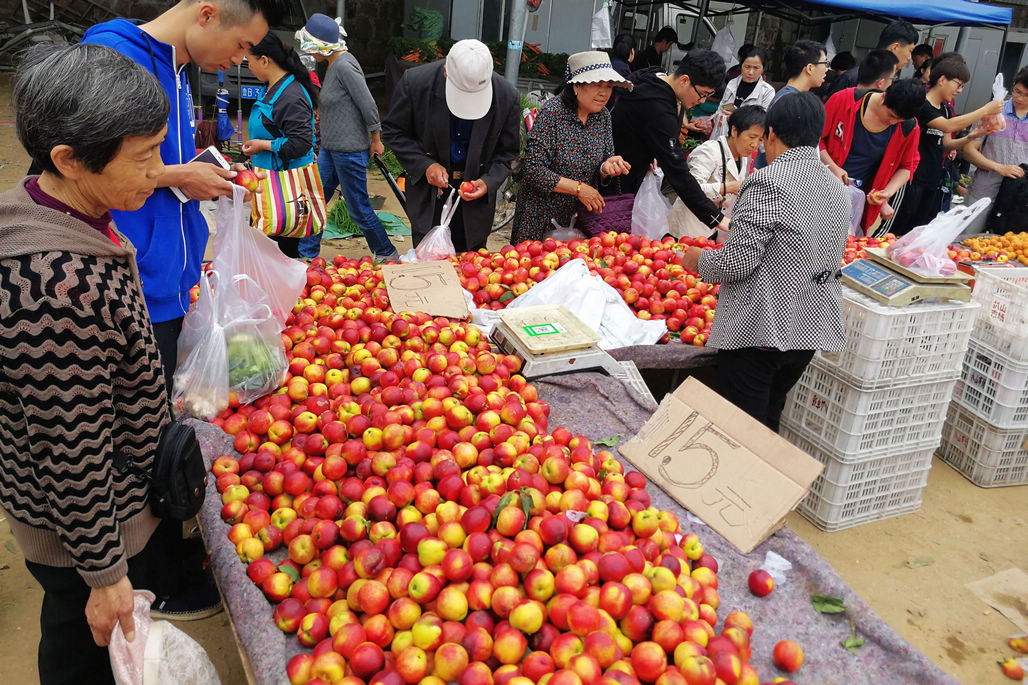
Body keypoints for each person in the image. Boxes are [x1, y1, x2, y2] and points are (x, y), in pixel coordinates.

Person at [82, 0, 281, 621]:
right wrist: (179, 178)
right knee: (135, 437)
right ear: (207, 12)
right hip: (133, 283)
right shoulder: (113, 56)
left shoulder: (172, 65)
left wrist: (195, 176)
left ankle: (165, 555)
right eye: (243, 44)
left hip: (167, 282)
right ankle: (152, 579)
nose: (243, 60)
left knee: (156, 426)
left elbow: (155, 166)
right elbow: (94, 164)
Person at [2, 43, 171, 684]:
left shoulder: (64, 208)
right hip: (88, 535)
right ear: (69, 160)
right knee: (85, 650)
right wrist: (105, 575)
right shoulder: (54, 289)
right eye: (144, 156)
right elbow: (70, 447)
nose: (157, 171)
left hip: (102, 511)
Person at [680, 92, 849, 431]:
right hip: (809, 329)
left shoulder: (767, 181)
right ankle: (765, 482)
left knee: (741, 430)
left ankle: (741, 484)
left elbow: (736, 263)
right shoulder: (836, 186)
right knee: (769, 418)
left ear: (771, 134)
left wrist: (698, 261)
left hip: (762, 329)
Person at [382, 39, 520, 252]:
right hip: (430, 195)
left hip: (475, 197)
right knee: (429, 265)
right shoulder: (416, 84)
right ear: (446, 72)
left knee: (471, 267)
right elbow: (394, 131)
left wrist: (488, 181)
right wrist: (425, 165)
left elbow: (507, 151)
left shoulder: (506, 95)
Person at [296, 14, 398, 264]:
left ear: (321, 45)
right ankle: (306, 255)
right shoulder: (331, 64)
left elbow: (368, 104)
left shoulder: (344, 65)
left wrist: (376, 138)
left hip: (350, 151)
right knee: (316, 199)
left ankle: (386, 252)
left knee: (358, 208)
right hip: (331, 150)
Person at [511, 52, 632, 244]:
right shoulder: (552, 114)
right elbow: (534, 170)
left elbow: (605, 158)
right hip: (541, 217)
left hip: (579, 217)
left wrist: (607, 167)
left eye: (608, 86)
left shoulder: (603, 117)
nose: (604, 93)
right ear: (576, 86)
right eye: (597, 85)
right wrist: (578, 188)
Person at [611, 49, 731, 235]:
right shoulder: (657, 106)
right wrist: (716, 218)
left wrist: (651, 149)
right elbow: (677, 171)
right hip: (615, 180)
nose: (702, 101)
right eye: (702, 94)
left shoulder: (654, 75)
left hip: (624, 166)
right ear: (684, 80)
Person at [890, 57, 1003, 235]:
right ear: (942, 80)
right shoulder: (922, 104)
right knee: (897, 231)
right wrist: (986, 110)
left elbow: (946, 144)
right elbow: (947, 126)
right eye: (958, 84)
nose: (959, 90)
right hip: (911, 179)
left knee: (920, 234)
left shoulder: (945, 109)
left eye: (963, 86)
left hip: (933, 179)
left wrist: (972, 136)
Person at [243, 31, 319, 257]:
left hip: (285, 192)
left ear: (264, 60)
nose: (249, 68)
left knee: (278, 256)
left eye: (250, 62)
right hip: (269, 185)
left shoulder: (290, 95)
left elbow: (301, 143)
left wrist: (262, 145)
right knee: (264, 254)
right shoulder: (274, 88)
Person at [820, 78, 925, 236]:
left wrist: (886, 194)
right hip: (821, 188)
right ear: (884, 96)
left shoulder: (909, 127)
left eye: (899, 120)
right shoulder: (844, 100)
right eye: (891, 115)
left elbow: (908, 166)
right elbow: (815, 139)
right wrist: (832, 167)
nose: (892, 122)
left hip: (858, 201)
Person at [668, 105, 766, 239]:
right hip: (688, 226)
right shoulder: (709, 151)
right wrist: (729, 187)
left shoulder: (743, 158)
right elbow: (689, 190)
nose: (754, 145)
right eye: (751, 137)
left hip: (714, 227)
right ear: (734, 130)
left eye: (760, 140)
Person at [964, 66, 1028, 234]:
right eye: (1017, 91)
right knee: (966, 238)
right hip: (984, 189)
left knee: (1008, 247)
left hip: (1018, 196)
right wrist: (999, 167)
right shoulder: (993, 113)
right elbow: (969, 150)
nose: (1019, 98)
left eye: (1026, 95)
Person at [752, 40, 826, 169]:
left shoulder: (790, 98)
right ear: (809, 68)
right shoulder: (789, 102)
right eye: (825, 63)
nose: (826, 69)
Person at [827, 20, 919, 98]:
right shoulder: (852, 78)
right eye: (910, 51)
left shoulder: (896, 83)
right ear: (895, 47)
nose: (909, 58)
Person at [719, 46, 774, 111]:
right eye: (747, 67)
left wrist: (736, 115)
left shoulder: (767, 92)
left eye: (756, 68)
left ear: (763, 69)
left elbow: (763, 119)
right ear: (741, 66)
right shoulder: (732, 83)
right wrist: (720, 118)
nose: (750, 72)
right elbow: (721, 109)